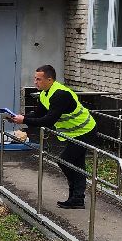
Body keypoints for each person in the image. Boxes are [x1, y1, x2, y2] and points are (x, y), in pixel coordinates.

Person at [10, 64, 98, 209]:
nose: (35, 82)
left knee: (65, 161)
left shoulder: (60, 94)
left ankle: (77, 196)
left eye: (38, 79)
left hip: (85, 131)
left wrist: (24, 120)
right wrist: (18, 117)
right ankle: (77, 198)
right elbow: (39, 114)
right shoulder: (45, 93)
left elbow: (48, 120)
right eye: (35, 79)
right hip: (74, 133)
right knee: (77, 164)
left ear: (49, 80)